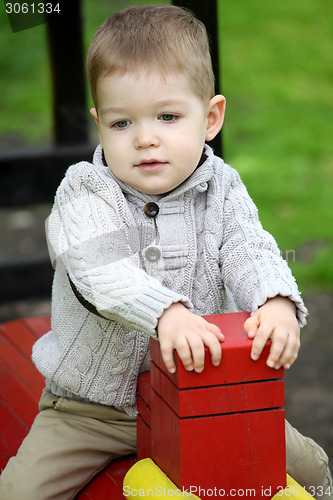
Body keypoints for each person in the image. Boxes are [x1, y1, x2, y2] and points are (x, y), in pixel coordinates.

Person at [0, 4, 331, 499]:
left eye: (168, 116)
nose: (145, 138)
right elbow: (101, 272)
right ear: (98, 124)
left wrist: (275, 299)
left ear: (211, 117)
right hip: (92, 409)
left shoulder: (221, 186)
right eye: (121, 124)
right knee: (22, 491)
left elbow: (248, 246)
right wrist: (166, 313)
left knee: (303, 463)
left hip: (203, 395)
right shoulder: (86, 192)